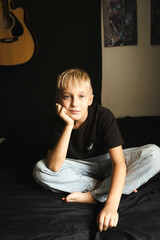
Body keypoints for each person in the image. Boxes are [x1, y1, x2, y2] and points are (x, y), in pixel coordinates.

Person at [33, 68, 160, 232]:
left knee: (155, 154)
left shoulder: (103, 116)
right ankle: (108, 187)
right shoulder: (58, 122)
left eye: (81, 96)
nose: (74, 103)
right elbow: (55, 167)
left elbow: (119, 163)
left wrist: (111, 207)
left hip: (107, 162)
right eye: (67, 96)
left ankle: (93, 196)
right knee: (40, 170)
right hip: (79, 168)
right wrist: (68, 126)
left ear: (90, 99)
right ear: (58, 100)